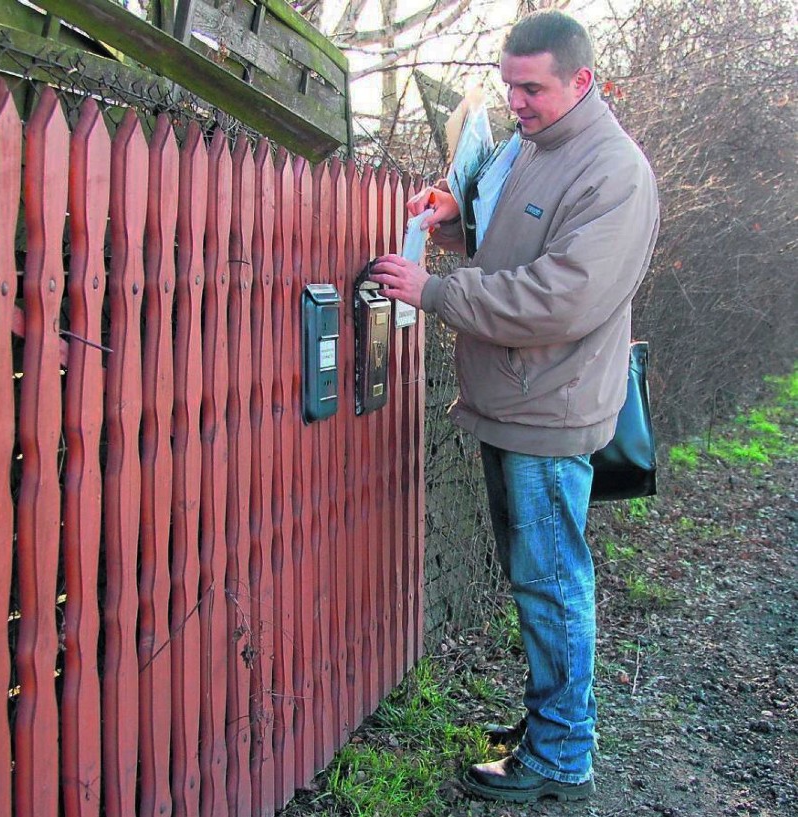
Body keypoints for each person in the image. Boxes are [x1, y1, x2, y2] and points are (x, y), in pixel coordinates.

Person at [371, 9, 660, 805]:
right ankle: (553, 723)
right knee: (539, 578)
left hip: (551, 410)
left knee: (554, 583)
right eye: (510, 87)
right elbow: (515, 237)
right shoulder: (536, 145)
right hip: (516, 401)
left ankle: (564, 756)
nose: (518, 102)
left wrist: (434, 290)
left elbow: (559, 296)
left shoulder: (614, 173)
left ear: (582, 81)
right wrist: (456, 215)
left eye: (531, 89)